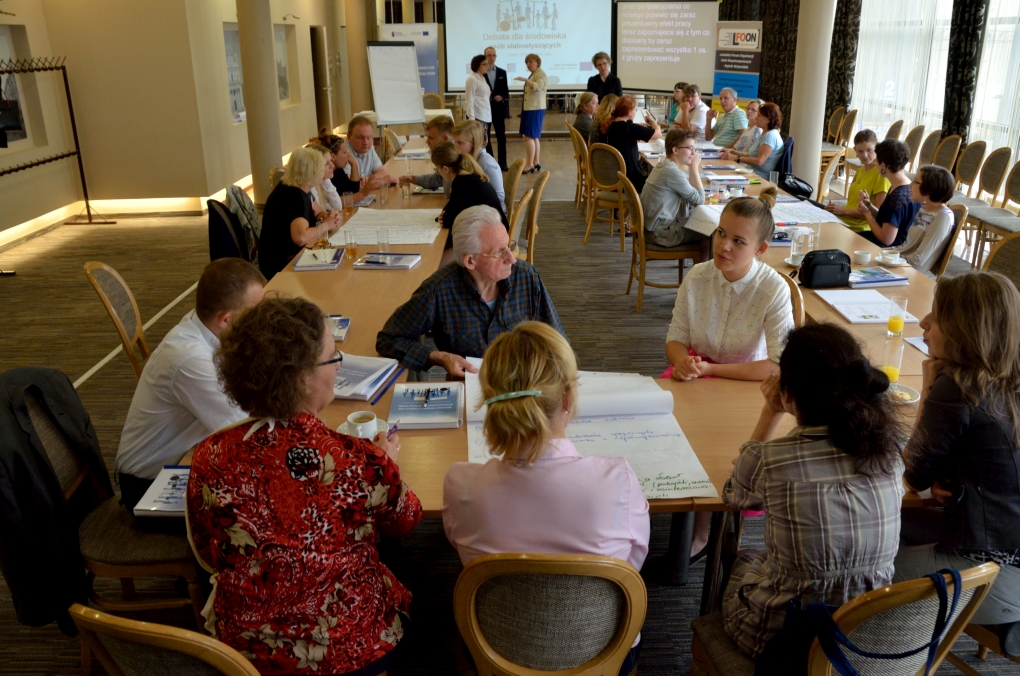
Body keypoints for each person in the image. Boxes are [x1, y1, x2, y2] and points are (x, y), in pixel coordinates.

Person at [187, 296, 421, 675]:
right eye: (333, 357)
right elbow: (406, 520)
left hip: (246, 655)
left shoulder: (211, 454)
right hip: (348, 647)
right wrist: (386, 468)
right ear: (301, 377)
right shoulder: (358, 459)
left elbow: (207, 548)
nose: (339, 365)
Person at [443, 321, 648, 676]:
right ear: (567, 397)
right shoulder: (618, 480)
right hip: (602, 652)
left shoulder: (461, 485)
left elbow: (459, 546)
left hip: (494, 651)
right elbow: (632, 568)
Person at [722, 323, 905, 659]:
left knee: (744, 559)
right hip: (863, 644)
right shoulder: (889, 454)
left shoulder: (769, 459)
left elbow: (735, 496)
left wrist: (769, 411)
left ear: (787, 393)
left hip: (782, 643)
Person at [894, 272, 1020, 657]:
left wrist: (930, 385)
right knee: (898, 525)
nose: (923, 323)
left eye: (936, 315)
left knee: (857, 558)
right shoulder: (1008, 378)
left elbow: (912, 475)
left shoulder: (959, 387)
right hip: (1010, 553)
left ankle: (880, 657)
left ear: (965, 329)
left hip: (992, 574)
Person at [116, 259, 265, 510]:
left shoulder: (204, 324)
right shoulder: (190, 359)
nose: (262, 320)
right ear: (226, 320)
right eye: (256, 311)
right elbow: (249, 431)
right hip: (151, 484)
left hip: (186, 457)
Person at [376, 206, 564, 377]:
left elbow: (558, 342)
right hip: (470, 391)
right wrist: (438, 357)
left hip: (523, 384)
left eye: (509, 247)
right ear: (470, 261)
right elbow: (388, 340)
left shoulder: (526, 277)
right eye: (499, 253)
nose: (512, 259)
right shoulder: (439, 290)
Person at [665, 188, 794, 382]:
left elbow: (778, 366)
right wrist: (684, 363)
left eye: (738, 241)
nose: (723, 246)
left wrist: (710, 369)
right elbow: (675, 337)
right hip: (698, 372)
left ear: (760, 249)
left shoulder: (773, 289)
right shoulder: (696, 277)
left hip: (748, 378)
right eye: (721, 233)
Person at [259, 146, 341, 279]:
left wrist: (328, 216)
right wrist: (326, 226)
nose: (324, 170)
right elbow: (301, 237)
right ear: (310, 171)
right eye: (321, 167)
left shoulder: (301, 189)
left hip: (291, 256)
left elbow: (319, 213)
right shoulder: (293, 195)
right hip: (281, 265)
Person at [432, 142, 508, 254]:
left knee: (437, 252)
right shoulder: (468, 175)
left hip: (494, 236)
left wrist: (444, 216)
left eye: (436, 168)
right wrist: (445, 214)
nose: (437, 172)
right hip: (493, 227)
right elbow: (452, 206)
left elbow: (448, 220)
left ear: (445, 169)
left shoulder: (462, 182)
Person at [640, 129, 708, 250]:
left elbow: (693, 195)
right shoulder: (672, 172)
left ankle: (699, 267)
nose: (694, 153)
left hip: (652, 228)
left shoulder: (663, 166)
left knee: (698, 219)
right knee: (710, 231)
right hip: (661, 234)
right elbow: (699, 200)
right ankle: (700, 268)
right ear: (675, 150)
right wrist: (694, 168)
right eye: (690, 148)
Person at [889, 165, 955, 273]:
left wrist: (885, 259)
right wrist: (881, 253)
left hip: (907, 273)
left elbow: (916, 261)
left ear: (929, 189)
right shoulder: (924, 209)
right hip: (898, 264)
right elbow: (905, 247)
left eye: (915, 181)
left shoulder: (943, 217)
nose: (910, 185)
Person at [855, 139, 919, 247]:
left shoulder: (897, 196)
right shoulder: (906, 186)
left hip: (890, 251)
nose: (875, 163)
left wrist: (867, 214)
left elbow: (886, 239)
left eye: (877, 161)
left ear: (883, 165)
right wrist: (869, 206)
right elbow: (887, 219)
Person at [825, 129, 890, 231]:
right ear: (855, 150)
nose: (864, 155)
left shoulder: (881, 175)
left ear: (877, 148)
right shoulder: (860, 171)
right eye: (860, 151)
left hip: (860, 227)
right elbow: (852, 204)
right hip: (844, 220)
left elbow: (878, 215)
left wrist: (843, 211)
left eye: (869, 150)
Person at [603, 95, 662, 193]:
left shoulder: (609, 125)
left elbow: (624, 140)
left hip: (612, 178)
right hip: (630, 181)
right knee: (659, 183)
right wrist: (652, 122)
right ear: (629, 112)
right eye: (635, 110)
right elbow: (658, 134)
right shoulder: (630, 128)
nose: (635, 113)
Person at [453, 119, 505, 213]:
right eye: (454, 141)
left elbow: (499, 196)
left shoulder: (486, 163)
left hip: (492, 213)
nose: (455, 146)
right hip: (478, 209)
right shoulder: (467, 159)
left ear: (473, 143)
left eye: (460, 143)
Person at [723, 101, 784, 180]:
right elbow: (751, 154)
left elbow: (759, 161)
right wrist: (733, 152)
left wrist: (735, 157)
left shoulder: (770, 136)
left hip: (758, 178)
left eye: (759, 116)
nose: (756, 118)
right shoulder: (765, 133)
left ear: (768, 119)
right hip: (751, 174)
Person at [400, 116, 456, 197]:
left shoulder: (454, 157)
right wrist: (413, 179)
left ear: (445, 138)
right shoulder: (446, 155)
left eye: (431, 138)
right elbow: (438, 179)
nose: (427, 142)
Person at [514, 53, 547, 174]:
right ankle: (535, 161)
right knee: (534, 137)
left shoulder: (541, 74)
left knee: (529, 136)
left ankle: (529, 164)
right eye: (527, 62)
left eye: (530, 62)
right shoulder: (534, 74)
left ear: (537, 62)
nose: (528, 64)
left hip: (535, 108)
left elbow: (538, 87)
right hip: (531, 108)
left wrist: (525, 80)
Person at [345, 115, 397, 185]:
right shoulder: (343, 152)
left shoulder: (369, 148)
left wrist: (369, 180)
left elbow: (382, 172)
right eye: (360, 138)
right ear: (349, 137)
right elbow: (349, 183)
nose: (366, 142)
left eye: (369, 137)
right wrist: (380, 181)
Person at [483, 46, 511, 171]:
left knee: (501, 136)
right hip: (485, 109)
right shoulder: (481, 73)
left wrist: (502, 96)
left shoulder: (502, 72)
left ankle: (503, 163)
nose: (491, 57)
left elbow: (506, 91)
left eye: (494, 55)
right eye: (489, 55)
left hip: (498, 109)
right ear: (485, 57)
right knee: (486, 137)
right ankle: (490, 163)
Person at [305, 143, 343, 212]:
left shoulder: (322, 182)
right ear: (314, 166)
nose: (332, 166)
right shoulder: (310, 186)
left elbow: (338, 207)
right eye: (326, 163)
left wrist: (326, 179)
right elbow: (318, 214)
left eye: (331, 161)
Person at [464, 54, 493, 139]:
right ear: (477, 65)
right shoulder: (472, 79)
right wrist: (472, 119)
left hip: (485, 115)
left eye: (487, 64)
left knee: (483, 143)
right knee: (478, 143)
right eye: (484, 64)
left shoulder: (482, 78)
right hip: (477, 116)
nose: (487, 66)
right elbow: (469, 100)